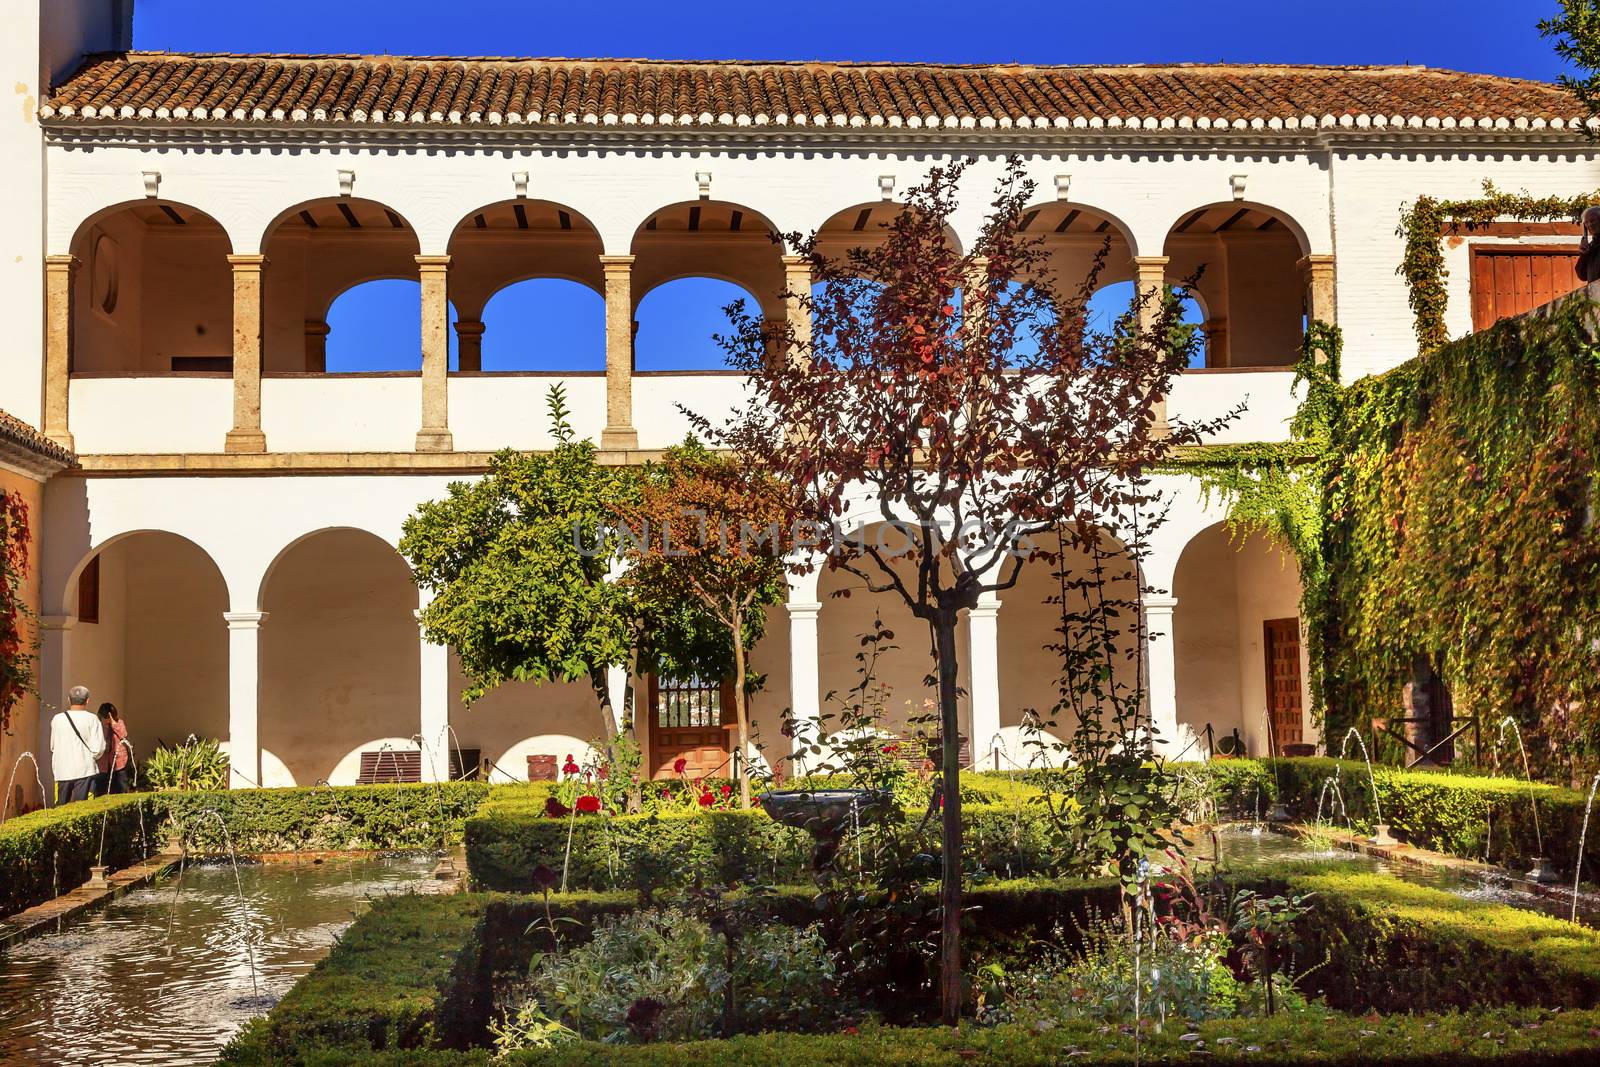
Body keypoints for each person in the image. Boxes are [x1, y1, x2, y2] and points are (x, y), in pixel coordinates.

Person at [50, 686, 105, 804]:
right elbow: (98, 749)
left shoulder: (57, 719)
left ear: (69, 700)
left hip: (62, 771)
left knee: (60, 809)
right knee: (85, 809)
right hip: (85, 770)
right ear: (87, 701)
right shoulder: (92, 719)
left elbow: (53, 746)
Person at [96, 702, 130, 795]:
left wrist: (113, 723)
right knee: (101, 790)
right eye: (106, 717)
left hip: (119, 762)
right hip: (102, 764)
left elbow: (124, 736)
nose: (107, 720)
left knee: (121, 789)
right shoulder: (97, 725)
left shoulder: (119, 723)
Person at [1576, 206, 1600, 283]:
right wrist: (1584, 256)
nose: (1589, 224)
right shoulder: (1591, 247)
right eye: (1586, 222)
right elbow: (1582, 276)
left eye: (1593, 220)